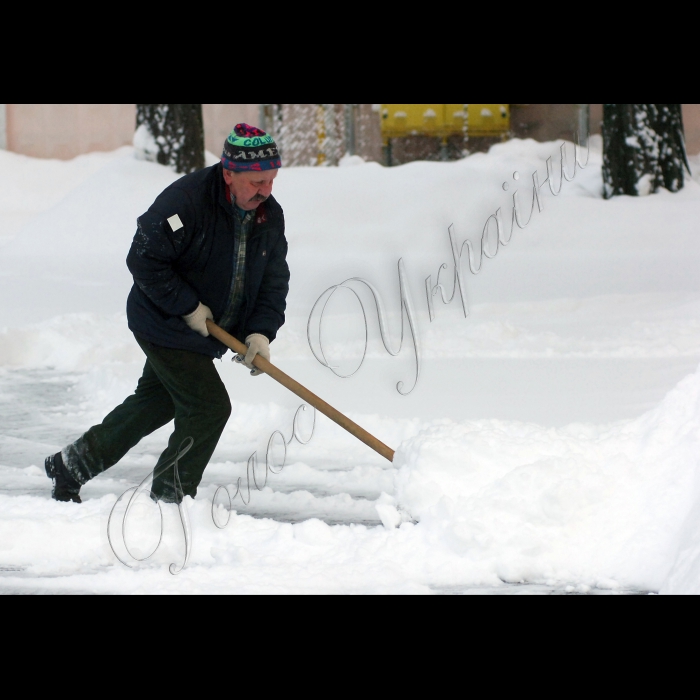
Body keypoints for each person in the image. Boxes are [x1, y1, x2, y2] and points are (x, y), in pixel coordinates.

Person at [44, 123, 289, 504]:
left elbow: (274, 281)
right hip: (164, 320)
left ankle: (71, 465)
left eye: (271, 180)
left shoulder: (268, 217)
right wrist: (187, 307)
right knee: (208, 408)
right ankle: (169, 499)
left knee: (156, 402)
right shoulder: (187, 201)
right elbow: (143, 258)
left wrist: (259, 333)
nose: (266, 191)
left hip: (207, 332)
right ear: (228, 173)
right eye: (257, 182)